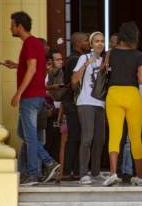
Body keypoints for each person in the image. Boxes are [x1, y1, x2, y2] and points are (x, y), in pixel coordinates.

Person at [8, 11, 60, 185]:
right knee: (24, 133)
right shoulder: (37, 43)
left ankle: (37, 170)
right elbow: (36, 68)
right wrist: (16, 66)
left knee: (30, 136)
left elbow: (32, 69)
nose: (10, 27)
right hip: (38, 97)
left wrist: (19, 92)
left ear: (19, 27)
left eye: (12, 25)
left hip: (29, 98)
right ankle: (40, 167)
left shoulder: (29, 43)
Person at [102, 21, 142, 186]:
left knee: (114, 135)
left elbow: (104, 70)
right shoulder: (140, 56)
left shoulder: (110, 53)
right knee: (135, 136)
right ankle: (139, 175)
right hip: (132, 95)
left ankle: (113, 173)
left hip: (113, 94)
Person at [71, 31, 107, 184]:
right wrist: (86, 64)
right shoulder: (83, 57)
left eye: (102, 41)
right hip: (85, 102)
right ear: (91, 45)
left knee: (100, 139)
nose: (100, 43)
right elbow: (74, 80)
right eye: (96, 41)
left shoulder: (105, 60)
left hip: (100, 103)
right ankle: (83, 173)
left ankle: (96, 171)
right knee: (87, 138)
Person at [62, 32, 90, 180]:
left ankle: (74, 170)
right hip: (74, 103)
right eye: (86, 40)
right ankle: (70, 171)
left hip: (74, 102)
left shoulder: (75, 58)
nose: (89, 42)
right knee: (75, 136)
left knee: (77, 136)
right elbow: (76, 83)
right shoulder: (76, 59)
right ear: (78, 43)